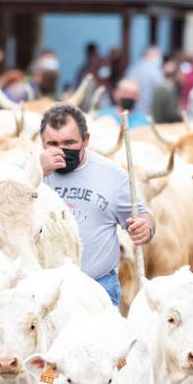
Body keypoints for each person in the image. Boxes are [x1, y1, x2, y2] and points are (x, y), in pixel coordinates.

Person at [37, 103, 155, 306]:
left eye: (69, 142)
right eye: (53, 144)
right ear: (42, 144)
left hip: (98, 287)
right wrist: (37, 171)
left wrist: (146, 227)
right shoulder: (27, 170)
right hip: (44, 291)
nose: (62, 151)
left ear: (86, 140)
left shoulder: (112, 176)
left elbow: (144, 216)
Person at [125, 46, 165, 115]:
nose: (160, 58)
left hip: (132, 109)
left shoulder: (132, 68)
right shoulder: (155, 71)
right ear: (149, 55)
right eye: (158, 55)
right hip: (148, 110)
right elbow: (161, 89)